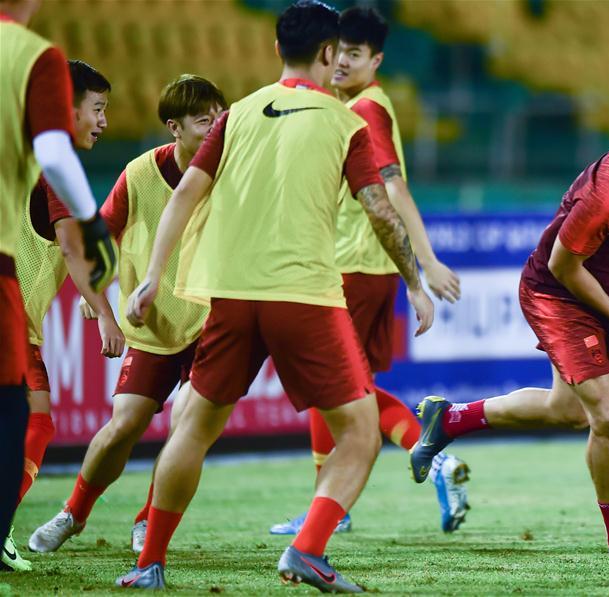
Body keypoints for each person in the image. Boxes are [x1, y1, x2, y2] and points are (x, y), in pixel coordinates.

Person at [116, 1, 432, 591]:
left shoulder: (235, 114)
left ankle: (148, 563)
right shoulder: (344, 121)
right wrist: (415, 282)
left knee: (193, 428)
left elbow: (184, 194)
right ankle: (307, 550)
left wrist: (153, 274)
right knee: (359, 431)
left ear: (278, 49)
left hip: (231, 294)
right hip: (304, 295)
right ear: (329, 53)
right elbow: (379, 210)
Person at [409, 84, 609, 568]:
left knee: (567, 411)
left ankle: (449, 420)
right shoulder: (607, 193)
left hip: (600, 289)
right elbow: (563, 266)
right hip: (556, 293)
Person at [270, 5, 469, 539]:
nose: (342, 62)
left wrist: (425, 264)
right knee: (347, 389)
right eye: (339, 52)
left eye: (355, 54)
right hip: (366, 266)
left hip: (352, 267)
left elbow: (393, 188)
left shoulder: (365, 109)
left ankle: (422, 461)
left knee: (330, 387)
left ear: (375, 60)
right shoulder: (358, 105)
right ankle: (424, 464)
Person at [28, 74, 227, 556]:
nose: (217, 128)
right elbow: (102, 233)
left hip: (214, 324)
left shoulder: (234, 173)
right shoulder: (140, 174)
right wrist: (96, 290)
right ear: (174, 128)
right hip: (153, 323)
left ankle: (147, 520)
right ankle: (73, 513)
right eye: (205, 121)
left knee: (186, 427)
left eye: (221, 118)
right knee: (124, 425)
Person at [0, 0, 115, 572]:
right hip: (13, 321)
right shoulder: (53, 169)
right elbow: (74, 248)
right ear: (64, 106)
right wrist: (106, 310)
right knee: (34, 422)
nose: (103, 122)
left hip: (21, 319)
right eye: (97, 109)